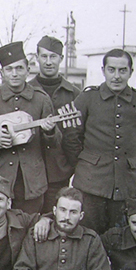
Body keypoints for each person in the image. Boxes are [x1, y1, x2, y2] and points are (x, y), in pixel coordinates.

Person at [62, 48, 136, 234]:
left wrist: (131, 161)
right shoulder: (88, 98)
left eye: (122, 70)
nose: (116, 76)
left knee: (120, 239)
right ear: (103, 70)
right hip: (90, 185)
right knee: (88, 237)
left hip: (125, 186)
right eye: (111, 69)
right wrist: (84, 163)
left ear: (131, 72)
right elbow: (71, 136)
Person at [0, 41, 58, 215]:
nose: (15, 74)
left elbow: (54, 144)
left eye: (19, 68)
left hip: (30, 182)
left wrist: (49, 131)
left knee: (28, 227)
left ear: (28, 70)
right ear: (3, 72)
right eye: (9, 69)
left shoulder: (41, 99)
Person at [28, 36, 81, 214]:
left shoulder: (74, 94)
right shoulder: (26, 90)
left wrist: (70, 165)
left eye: (53, 57)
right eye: (44, 56)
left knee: (56, 220)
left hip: (59, 172)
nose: (48, 62)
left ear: (61, 59)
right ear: (37, 58)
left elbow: (80, 134)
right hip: (29, 172)